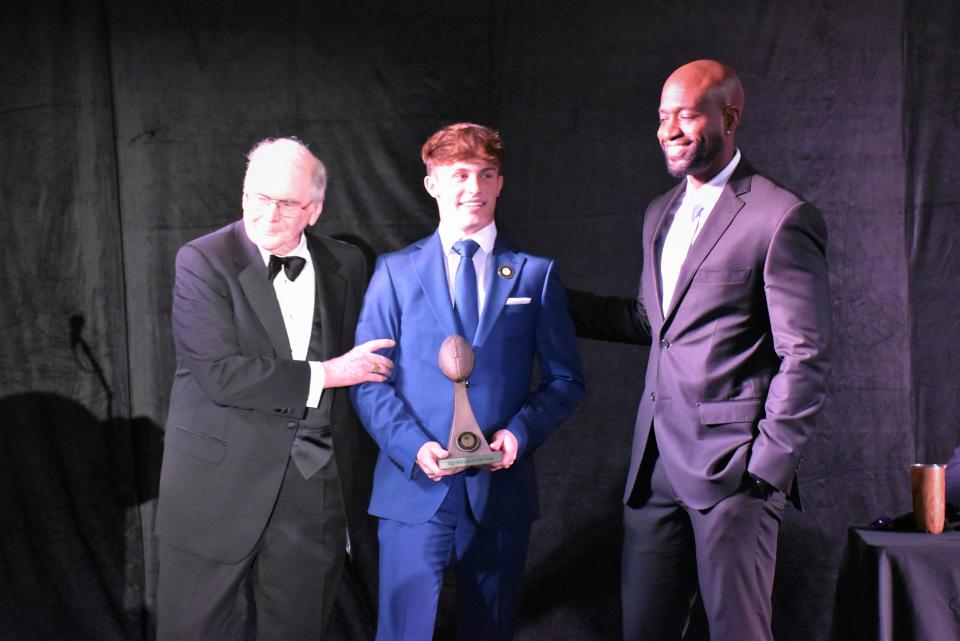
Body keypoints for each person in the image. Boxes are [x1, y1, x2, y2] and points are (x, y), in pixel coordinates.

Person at [566, 60, 832, 641]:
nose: (668, 130)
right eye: (663, 117)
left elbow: (804, 355)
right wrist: (548, 300)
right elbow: (654, 323)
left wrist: (766, 472)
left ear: (730, 117)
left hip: (734, 475)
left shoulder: (780, 217)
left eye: (685, 115)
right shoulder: (656, 215)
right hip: (653, 471)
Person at [350, 122, 585, 641]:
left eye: (486, 174)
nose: (473, 188)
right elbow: (369, 381)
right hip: (414, 486)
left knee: (491, 631)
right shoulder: (394, 272)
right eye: (459, 174)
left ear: (501, 182)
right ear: (432, 183)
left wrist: (519, 435)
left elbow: (566, 379)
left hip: (500, 488)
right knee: (403, 632)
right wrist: (413, 447)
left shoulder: (534, 275)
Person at [156, 136, 394, 641]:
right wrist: (327, 373)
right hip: (215, 488)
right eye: (258, 197)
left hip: (315, 486)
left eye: (286, 202)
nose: (269, 213)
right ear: (244, 196)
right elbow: (220, 373)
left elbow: (375, 362)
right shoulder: (202, 260)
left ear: (315, 208)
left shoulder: (348, 264)